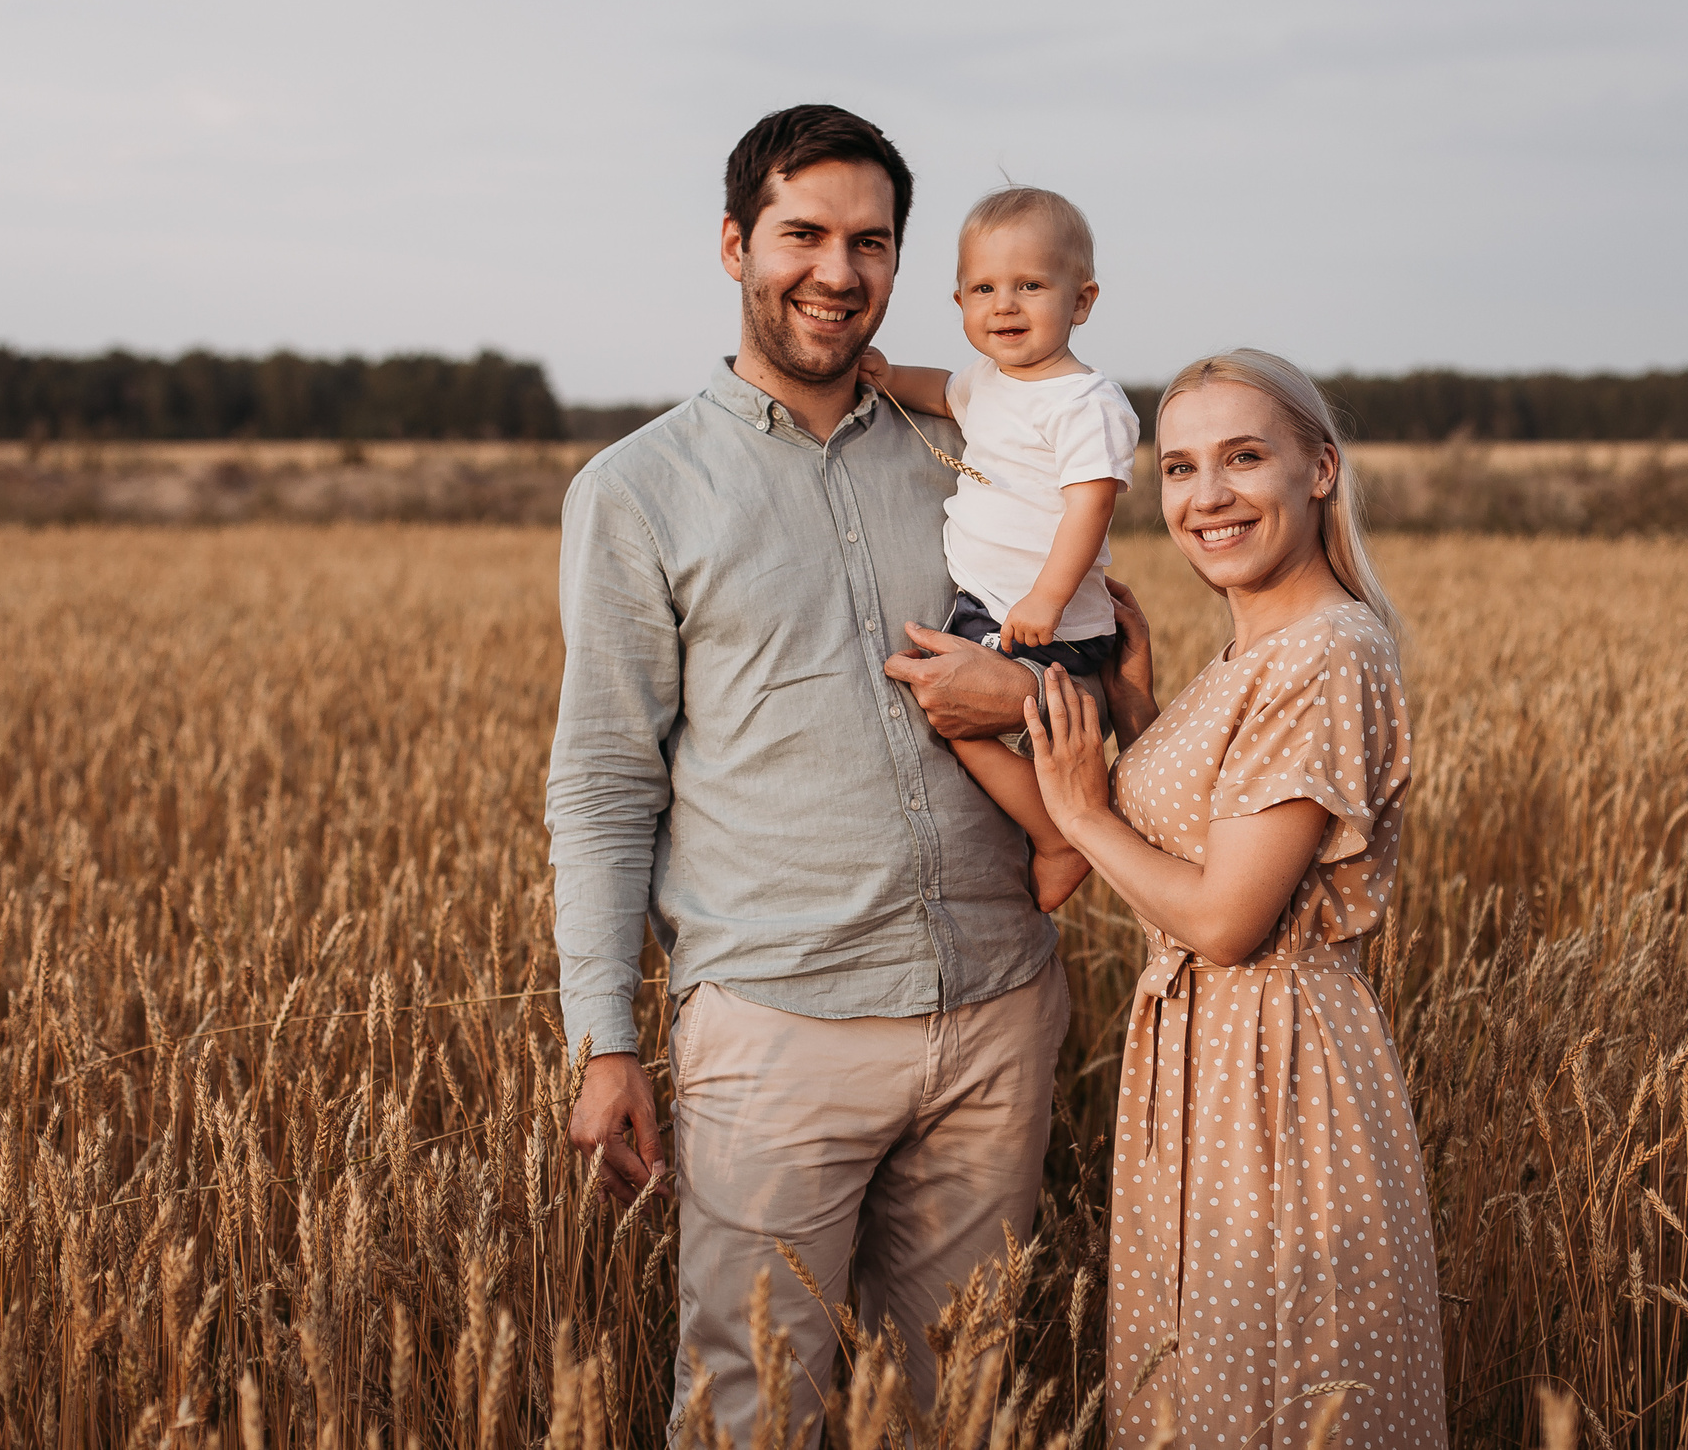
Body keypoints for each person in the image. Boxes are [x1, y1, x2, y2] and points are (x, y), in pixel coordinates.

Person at [545, 105, 1083, 1445]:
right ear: (735, 244)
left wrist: (1026, 688)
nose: (836, 272)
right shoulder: (638, 486)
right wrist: (606, 1035)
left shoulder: (973, 453)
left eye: (871, 242)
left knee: (952, 1408)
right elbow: (609, 777)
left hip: (999, 1012)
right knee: (750, 1410)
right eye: (803, 234)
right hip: (777, 1030)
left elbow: (1095, 651)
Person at [1024, 351, 1450, 1448]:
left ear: (1319, 469)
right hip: (1217, 1066)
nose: (1205, 497)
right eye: (1178, 469)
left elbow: (1224, 919)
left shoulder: (1325, 654)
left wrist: (1082, 817)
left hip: (1277, 1078)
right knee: (1207, 1390)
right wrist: (1135, 707)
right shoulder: (1256, 649)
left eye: (1243, 458)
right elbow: (1225, 826)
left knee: (1270, 1396)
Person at [858, 185, 1140, 912]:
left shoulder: (1085, 401)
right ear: (960, 305)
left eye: (1030, 285)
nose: (1005, 305)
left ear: (1082, 301)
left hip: (1040, 617)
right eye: (984, 288)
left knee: (956, 722)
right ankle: (1046, 825)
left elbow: (1090, 504)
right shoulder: (987, 381)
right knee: (965, 721)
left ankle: (1060, 835)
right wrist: (887, 378)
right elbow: (941, 393)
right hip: (989, 605)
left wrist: (1044, 598)